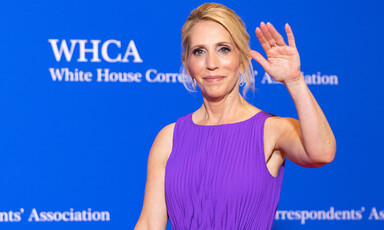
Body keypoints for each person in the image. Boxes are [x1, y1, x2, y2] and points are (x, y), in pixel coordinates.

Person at [135, 3, 336, 230]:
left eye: (224, 49)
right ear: (187, 64)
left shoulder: (271, 130)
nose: (211, 64)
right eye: (199, 52)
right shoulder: (169, 138)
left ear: (242, 61)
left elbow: (322, 153)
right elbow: (150, 224)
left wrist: (294, 80)